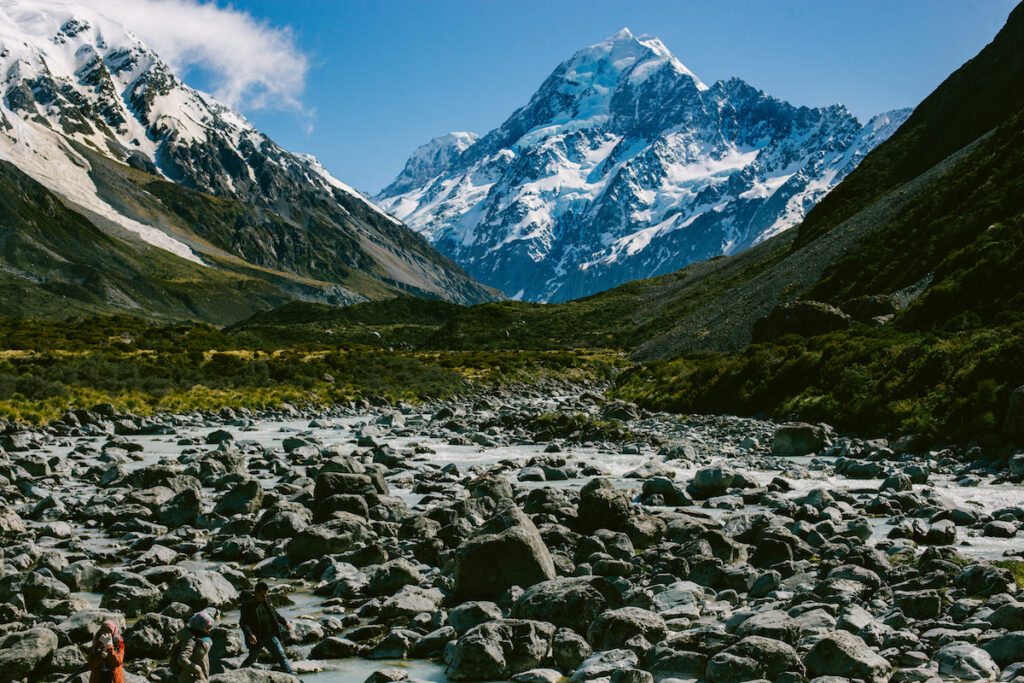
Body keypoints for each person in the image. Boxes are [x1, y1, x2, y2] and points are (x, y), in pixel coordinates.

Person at [239, 581, 294, 674]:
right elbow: (243, 623)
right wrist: (250, 634)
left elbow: (274, 614)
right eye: (262, 596)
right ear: (255, 593)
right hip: (257, 638)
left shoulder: (267, 600)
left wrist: (285, 622)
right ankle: (238, 673)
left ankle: (292, 676)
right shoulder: (247, 605)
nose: (265, 598)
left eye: (266, 595)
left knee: (281, 655)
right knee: (251, 659)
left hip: (271, 635)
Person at [172, 612, 214, 682]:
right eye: (208, 627)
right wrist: (198, 669)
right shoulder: (191, 640)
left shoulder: (198, 636)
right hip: (191, 679)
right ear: (200, 626)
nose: (210, 630)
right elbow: (182, 659)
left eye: (211, 627)